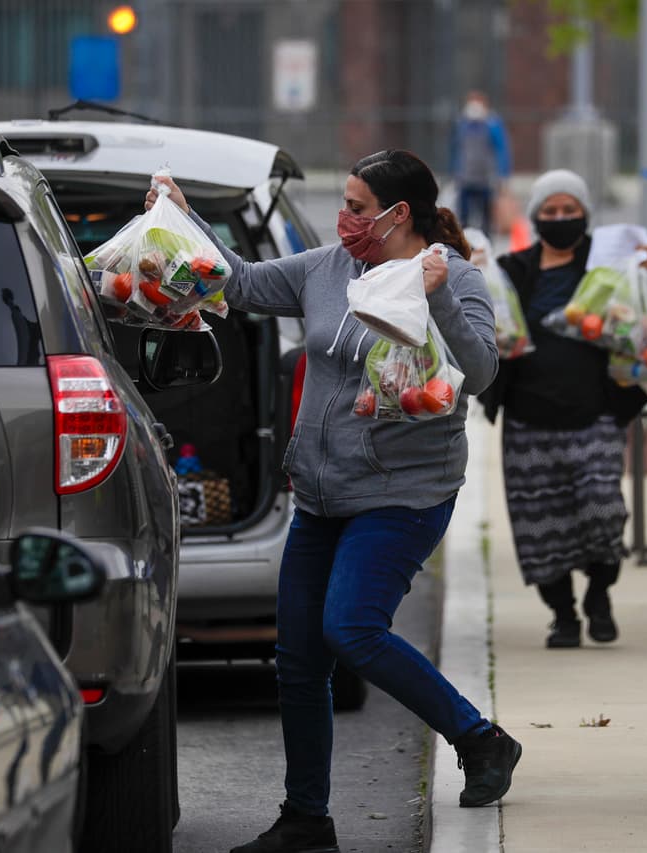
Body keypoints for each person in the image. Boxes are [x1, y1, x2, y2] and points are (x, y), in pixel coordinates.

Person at [146, 149, 519, 853]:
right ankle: (308, 819)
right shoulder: (326, 269)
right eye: (343, 204)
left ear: (396, 214)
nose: (342, 218)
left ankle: (479, 735)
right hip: (320, 492)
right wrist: (180, 217)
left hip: (404, 493)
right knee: (297, 659)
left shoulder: (452, 275)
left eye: (354, 206)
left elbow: (479, 371)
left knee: (351, 628)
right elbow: (244, 283)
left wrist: (436, 295)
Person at [478, 169, 647, 649]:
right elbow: (483, 316)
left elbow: (642, 320)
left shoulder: (608, 267)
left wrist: (644, 273)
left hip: (595, 414)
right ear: (535, 218)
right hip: (528, 419)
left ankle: (599, 592)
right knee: (540, 526)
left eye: (568, 211)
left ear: (585, 215)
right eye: (549, 212)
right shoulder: (512, 271)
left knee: (602, 509)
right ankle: (564, 616)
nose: (559, 219)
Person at [449, 90, 511, 237]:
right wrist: (454, 172)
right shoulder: (462, 124)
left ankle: (486, 245)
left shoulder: (493, 124)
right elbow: (455, 149)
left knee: (486, 219)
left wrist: (502, 175)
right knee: (463, 217)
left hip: (486, 179)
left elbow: (502, 149)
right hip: (465, 179)